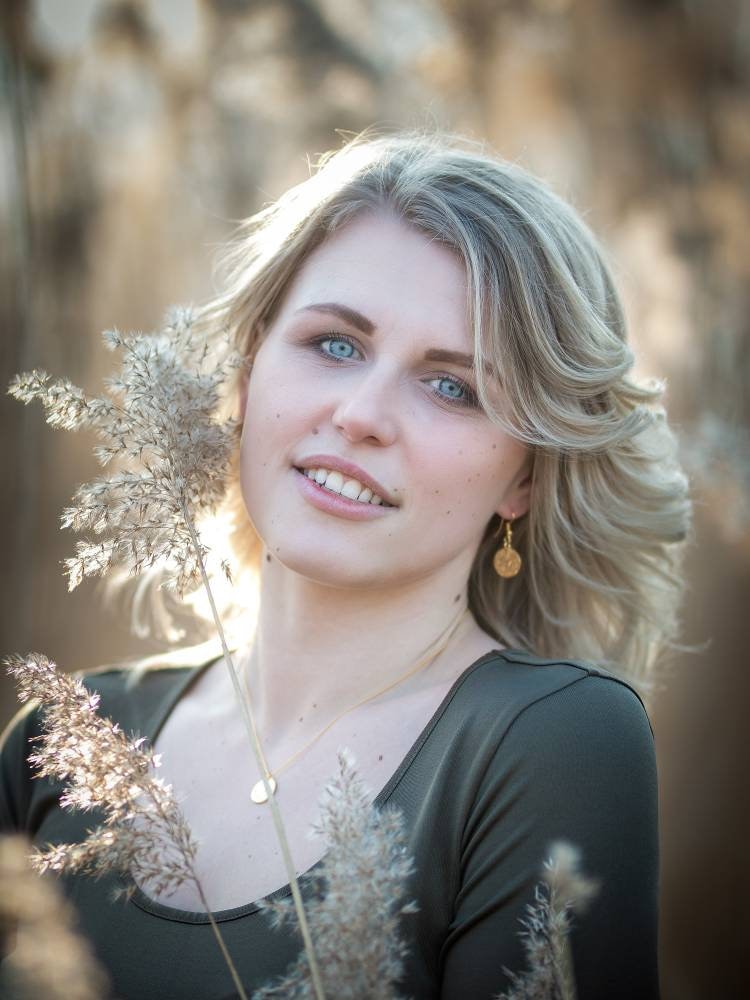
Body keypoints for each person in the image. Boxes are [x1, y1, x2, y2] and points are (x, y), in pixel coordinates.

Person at [0, 130, 689, 999]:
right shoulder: (64, 734)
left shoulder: (554, 742)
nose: (361, 414)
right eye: (334, 344)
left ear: (524, 477)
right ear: (248, 376)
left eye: (453, 387)